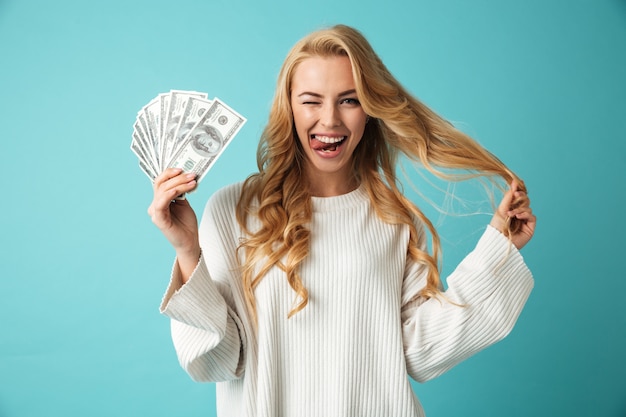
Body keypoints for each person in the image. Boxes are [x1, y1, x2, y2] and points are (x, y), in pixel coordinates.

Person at [148, 24, 536, 417]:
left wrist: (498, 250)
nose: (330, 120)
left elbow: (420, 353)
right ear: (289, 107)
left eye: (349, 100)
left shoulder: (395, 221)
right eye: (311, 101)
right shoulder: (233, 210)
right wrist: (187, 250)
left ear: (370, 110)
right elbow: (218, 360)